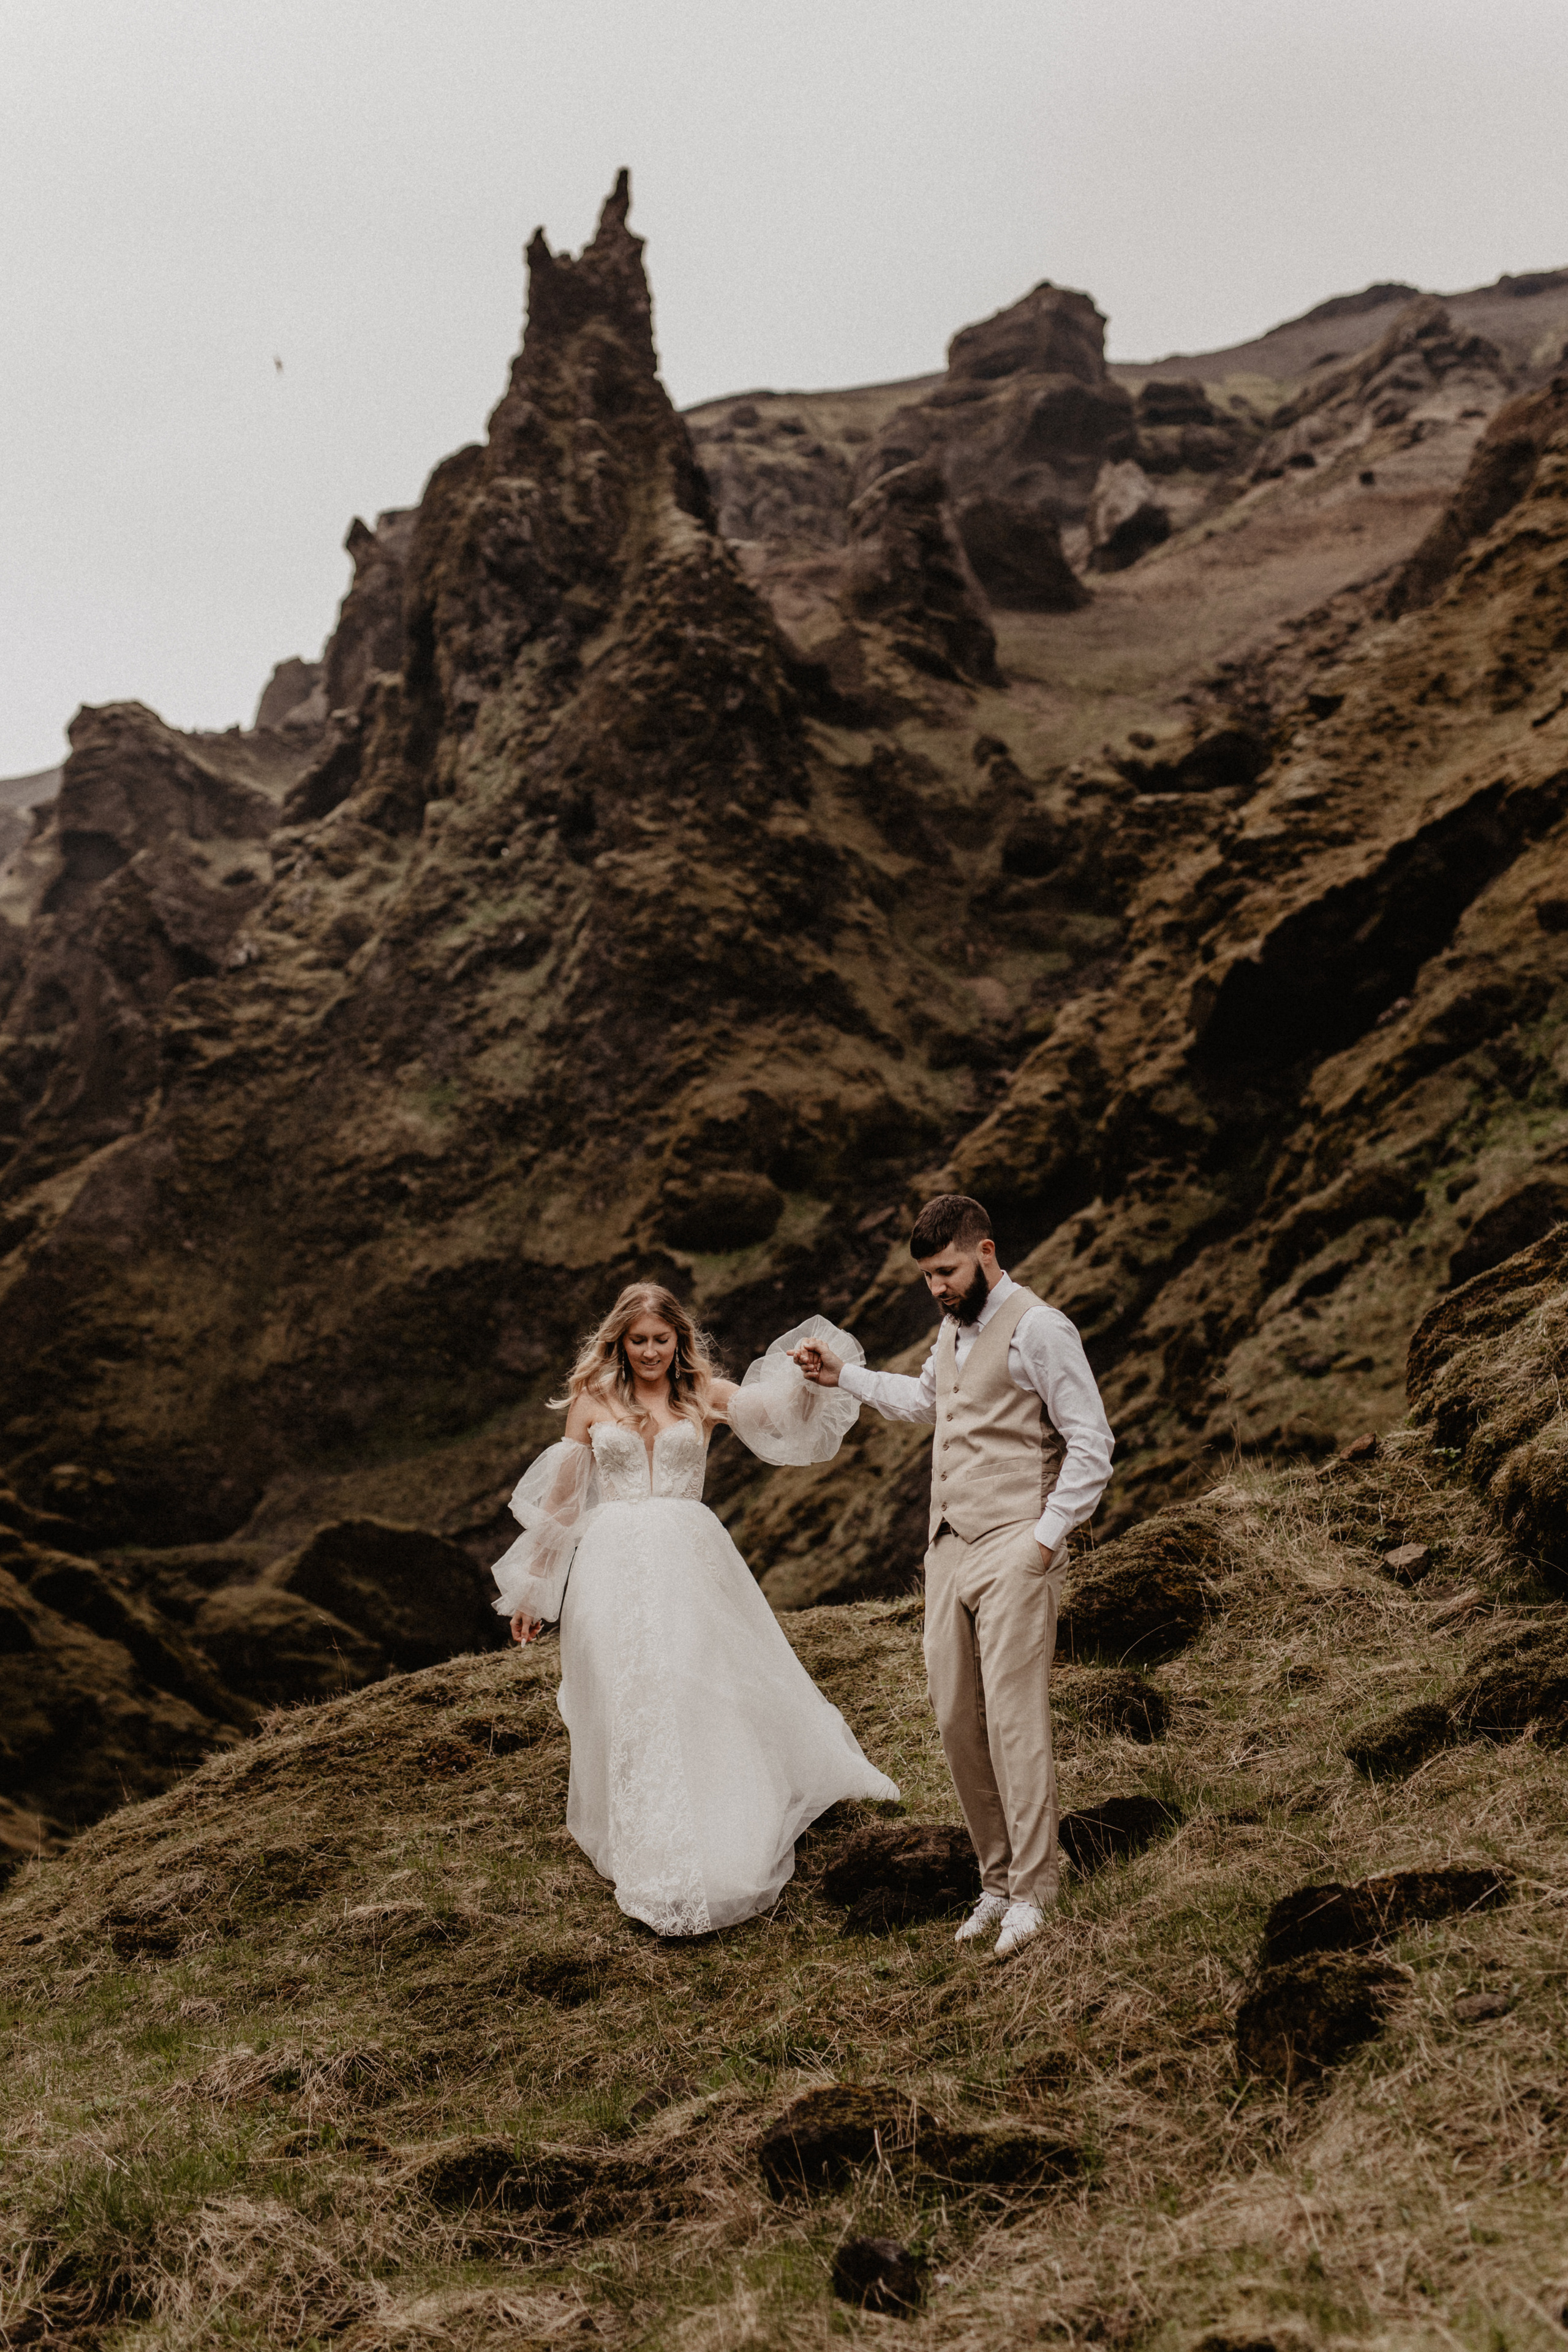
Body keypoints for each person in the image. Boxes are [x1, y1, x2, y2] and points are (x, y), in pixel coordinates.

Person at [490, 1284, 898, 1936]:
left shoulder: (704, 1394)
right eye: (638, 1340)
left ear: (679, 1339)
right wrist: (534, 1590)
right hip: (610, 1562)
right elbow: (564, 1502)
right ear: (620, 1342)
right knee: (629, 1689)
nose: (651, 1352)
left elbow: (781, 1420)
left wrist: (811, 1378)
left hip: (688, 1555)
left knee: (694, 1678)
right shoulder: (594, 1400)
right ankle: (646, 1826)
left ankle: (718, 1814)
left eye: (661, 1339)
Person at [794, 1194, 1114, 1960]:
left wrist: (1043, 1539)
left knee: (1013, 1720)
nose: (937, 1287)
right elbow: (927, 1402)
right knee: (953, 1717)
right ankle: (997, 1883)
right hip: (947, 1548)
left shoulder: (1040, 1327)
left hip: (1015, 1544)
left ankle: (1036, 1889)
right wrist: (847, 1377)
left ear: (986, 1252)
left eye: (947, 1270)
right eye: (928, 1277)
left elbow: (1091, 1441)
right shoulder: (950, 1330)